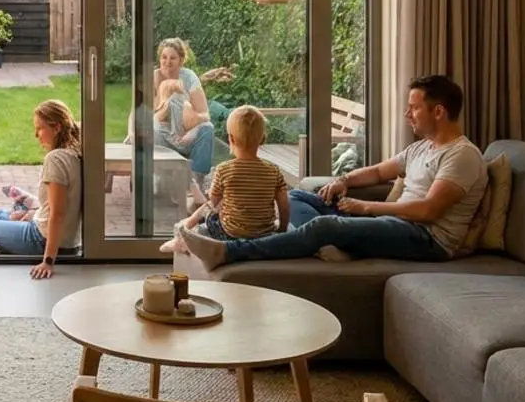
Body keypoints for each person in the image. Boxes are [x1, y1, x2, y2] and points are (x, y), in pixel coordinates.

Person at [178, 75, 488, 270]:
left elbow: (429, 210)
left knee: (324, 226)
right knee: (300, 195)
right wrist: (343, 181)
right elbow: (380, 172)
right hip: (394, 223)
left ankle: (231, 251)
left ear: (438, 111)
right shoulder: (422, 147)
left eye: (414, 108)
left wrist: (366, 207)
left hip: (426, 238)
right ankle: (340, 242)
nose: (407, 114)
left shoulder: (462, 155)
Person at [161, 105, 288, 253]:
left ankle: (181, 241)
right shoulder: (273, 170)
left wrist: (189, 222)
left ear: (231, 139)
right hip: (264, 235)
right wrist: (282, 230)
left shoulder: (224, 170)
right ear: (262, 139)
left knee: (210, 218)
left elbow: (210, 205)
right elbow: (284, 205)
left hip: (229, 235)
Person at [0, 100, 83, 279]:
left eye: (39, 128)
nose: (36, 135)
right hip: (64, 239)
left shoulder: (55, 159)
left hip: (41, 239)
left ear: (56, 127)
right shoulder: (74, 153)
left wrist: (48, 261)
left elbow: (58, 214)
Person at [143, 38, 216, 195]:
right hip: (160, 137)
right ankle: (159, 179)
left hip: (185, 136)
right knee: (152, 125)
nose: (167, 62)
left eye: (173, 58)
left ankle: (196, 184)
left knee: (207, 129)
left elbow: (205, 115)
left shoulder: (189, 77)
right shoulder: (153, 78)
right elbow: (148, 114)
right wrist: (167, 99)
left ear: (181, 60)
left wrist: (192, 131)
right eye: (164, 57)